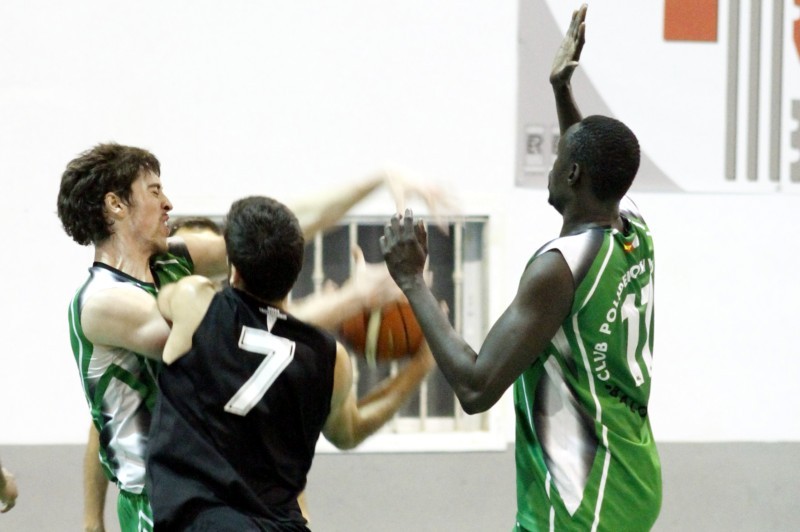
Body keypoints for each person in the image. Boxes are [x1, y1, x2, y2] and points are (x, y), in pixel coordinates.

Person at [57, 143, 448, 532]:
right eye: (154, 191)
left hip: (226, 491)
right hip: (158, 500)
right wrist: (354, 298)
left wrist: (376, 179)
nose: (168, 203)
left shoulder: (174, 258)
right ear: (116, 205)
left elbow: (275, 236)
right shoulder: (101, 302)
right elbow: (227, 343)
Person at [380, 5, 661, 530]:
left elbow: (475, 388)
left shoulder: (559, 269)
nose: (552, 165)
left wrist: (412, 280)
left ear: (572, 174)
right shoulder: (634, 230)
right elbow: (593, 160)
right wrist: (561, 90)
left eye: (558, 158)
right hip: (634, 475)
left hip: (584, 505)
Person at [145, 195, 435, 530]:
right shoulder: (330, 358)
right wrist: (419, 367)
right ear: (296, 272)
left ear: (233, 270)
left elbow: (153, 278)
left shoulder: (195, 302)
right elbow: (350, 432)